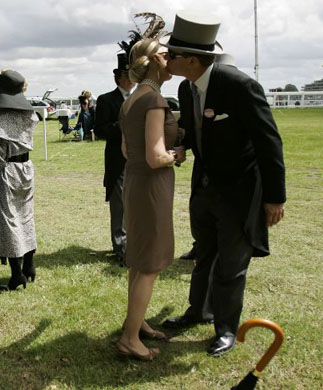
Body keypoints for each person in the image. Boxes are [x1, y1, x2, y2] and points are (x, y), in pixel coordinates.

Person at [160, 11, 286, 357]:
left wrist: (275, 198)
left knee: (231, 265)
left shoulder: (239, 85)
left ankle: (226, 329)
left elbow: (269, 142)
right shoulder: (187, 89)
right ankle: (197, 312)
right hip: (204, 189)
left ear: (190, 59)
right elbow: (196, 132)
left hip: (239, 193)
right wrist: (182, 146)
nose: (166, 60)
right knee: (204, 256)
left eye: (171, 55)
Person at [116, 36, 184, 361]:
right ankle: (130, 339)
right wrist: (178, 154)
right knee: (149, 265)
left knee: (139, 259)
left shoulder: (130, 99)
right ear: (154, 61)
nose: (173, 58)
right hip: (152, 187)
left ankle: (136, 323)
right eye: (167, 54)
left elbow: (127, 150)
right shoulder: (155, 100)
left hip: (134, 182)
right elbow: (156, 157)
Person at [0, 69, 38, 291]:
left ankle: (16, 275)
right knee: (26, 216)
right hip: (26, 169)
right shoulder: (29, 114)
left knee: (9, 220)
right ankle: (29, 265)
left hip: (8, 173)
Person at [179, 53, 235, 262]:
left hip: (229, 162)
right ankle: (200, 244)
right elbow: (188, 123)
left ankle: (223, 248)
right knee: (198, 204)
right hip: (202, 160)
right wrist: (182, 146)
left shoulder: (234, 89)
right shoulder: (186, 89)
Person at [94, 52, 135, 263]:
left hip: (138, 160)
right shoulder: (106, 100)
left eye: (132, 74)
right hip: (118, 161)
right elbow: (100, 130)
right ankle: (121, 249)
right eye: (126, 75)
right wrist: (122, 126)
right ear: (118, 77)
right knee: (119, 206)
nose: (130, 79)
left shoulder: (140, 97)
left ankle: (134, 245)